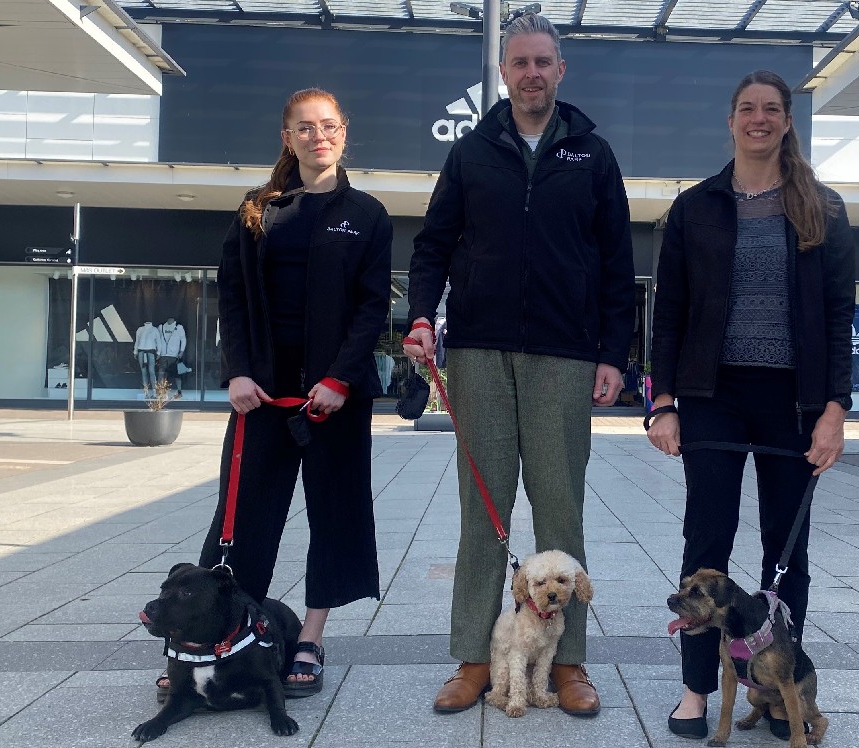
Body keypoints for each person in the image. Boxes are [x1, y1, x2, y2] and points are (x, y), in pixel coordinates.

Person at [403, 12, 635, 718]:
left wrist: (612, 355)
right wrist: (419, 317)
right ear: (502, 73)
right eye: (519, 62)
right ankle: (476, 657)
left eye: (543, 62)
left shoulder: (592, 155)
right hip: (478, 351)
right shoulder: (472, 153)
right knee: (485, 513)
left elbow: (619, 266)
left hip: (564, 357)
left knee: (560, 512)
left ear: (561, 71)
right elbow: (431, 245)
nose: (531, 73)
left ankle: (568, 665)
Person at [646, 70, 856, 740]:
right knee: (705, 539)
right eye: (746, 109)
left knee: (783, 555)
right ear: (730, 120)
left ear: (787, 121)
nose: (758, 119)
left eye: (771, 110)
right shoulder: (696, 207)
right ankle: (696, 690)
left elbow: (838, 313)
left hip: (793, 401)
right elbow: (670, 312)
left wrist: (835, 411)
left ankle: (776, 689)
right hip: (712, 395)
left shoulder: (820, 206)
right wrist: (664, 402)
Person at [174, 88, 391, 701]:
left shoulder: (368, 215)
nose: (317, 136)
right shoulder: (256, 210)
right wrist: (238, 373)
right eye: (305, 127)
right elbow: (234, 298)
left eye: (328, 126)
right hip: (261, 399)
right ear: (287, 137)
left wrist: (340, 379)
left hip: (335, 402)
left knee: (336, 516)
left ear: (344, 132)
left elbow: (373, 307)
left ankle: (311, 637)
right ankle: (219, 636)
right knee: (241, 522)